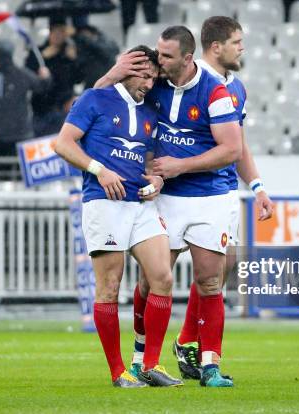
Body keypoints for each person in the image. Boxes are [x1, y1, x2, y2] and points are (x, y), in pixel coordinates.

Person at [96, 25, 243, 387]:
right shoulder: (153, 83)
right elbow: (97, 103)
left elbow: (232, 149)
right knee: (151, 281)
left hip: (209, 196)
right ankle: (141, 358)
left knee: (210, 280)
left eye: (165, 55)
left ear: (187, 58)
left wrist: (179, 166)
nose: (157, 60)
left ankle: (209, 366)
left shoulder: (216, 91)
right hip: (164, 197)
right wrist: (114, 73)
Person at [54, 45, 182, 388]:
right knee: (110, 288)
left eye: (154, 77)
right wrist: (100, 170)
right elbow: (63, 144)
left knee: (163, 278)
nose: (149, 82)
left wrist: (157, 179)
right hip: (104, 201)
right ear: (126, 69)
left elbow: (152, 159)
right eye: (143, 74)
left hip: (140, 204)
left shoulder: (151, 110)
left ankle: (150, 365)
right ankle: (118, 372)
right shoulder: (95, 99)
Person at [0, 40, 51, 157]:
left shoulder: (21, 74)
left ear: (2, 56)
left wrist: (46, 78)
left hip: (20, 136)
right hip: (0, 137)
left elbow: (41, 87)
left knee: (17, 172)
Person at [25, 17, 82, 136]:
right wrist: (43, 59)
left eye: (62, 32)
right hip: (41, 108)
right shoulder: (38, 52)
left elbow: (78, 79)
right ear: (50, 32)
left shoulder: (68, 53)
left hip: (63, 108)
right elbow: (28, 77)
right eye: (55, 32)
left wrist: (74, 60)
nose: (58, 36)